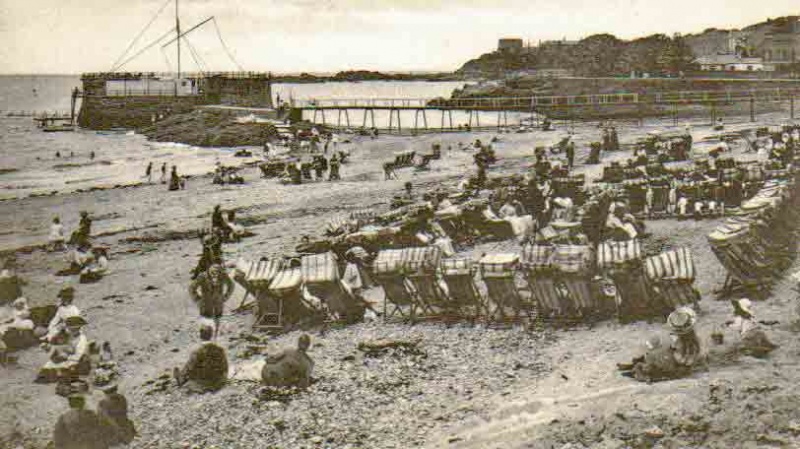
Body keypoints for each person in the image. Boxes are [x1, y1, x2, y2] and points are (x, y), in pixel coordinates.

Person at [618, 307, 702, 382]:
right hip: (675, 360)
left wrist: (670, 353)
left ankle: (640, 370)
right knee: (656, 352)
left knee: (657, 359)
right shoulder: (682, 340)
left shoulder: (690, 344)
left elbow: (683, 360)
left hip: (678, 366)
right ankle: (636, 365)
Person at [174, 321, 228, 391]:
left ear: (200, 335)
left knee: (189, 372)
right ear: (211, 334)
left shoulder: (198, 351)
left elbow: (189, 368)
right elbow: (225, 367)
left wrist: (183, 375)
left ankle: (181, 379)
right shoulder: (220, 350)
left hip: (203, 383)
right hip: (219, 382)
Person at [53, 394, 118, 449]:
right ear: (83, 403)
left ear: (70, 404)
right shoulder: (90, 414)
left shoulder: (63, 417)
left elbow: (58, 436)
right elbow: (101, 430)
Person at [188, 263, 234, 339]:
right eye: (213, 273)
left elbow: (231, 285)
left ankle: (215, 338)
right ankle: (205, 339)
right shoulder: (202, 276)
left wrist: (225, 297)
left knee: (217, 321)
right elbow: (192, 288)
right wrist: (197, 299)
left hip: (218, 304)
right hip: (206, 304)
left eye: (218, 273)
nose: (215, 275)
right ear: (209, 271)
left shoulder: (223, 275)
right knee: (206, 323)